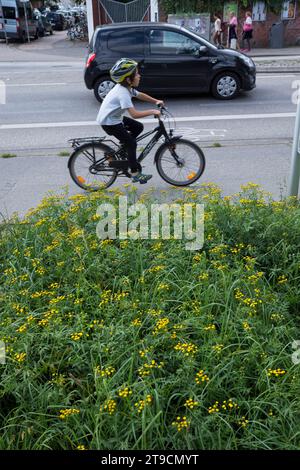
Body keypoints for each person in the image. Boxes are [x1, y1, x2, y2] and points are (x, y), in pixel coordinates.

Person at [96, 58, 163, 184]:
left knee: (138, 127)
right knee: (132, 144)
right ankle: (135, 173)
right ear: (128, 79)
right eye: (136, 74)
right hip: (109, 123)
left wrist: (155, 101)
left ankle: (123, 148)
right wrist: (152, 111)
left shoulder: (127, 87)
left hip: (114, 118)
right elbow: (134, 114)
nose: (139, 76)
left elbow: (139, 95)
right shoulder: (123, 93)